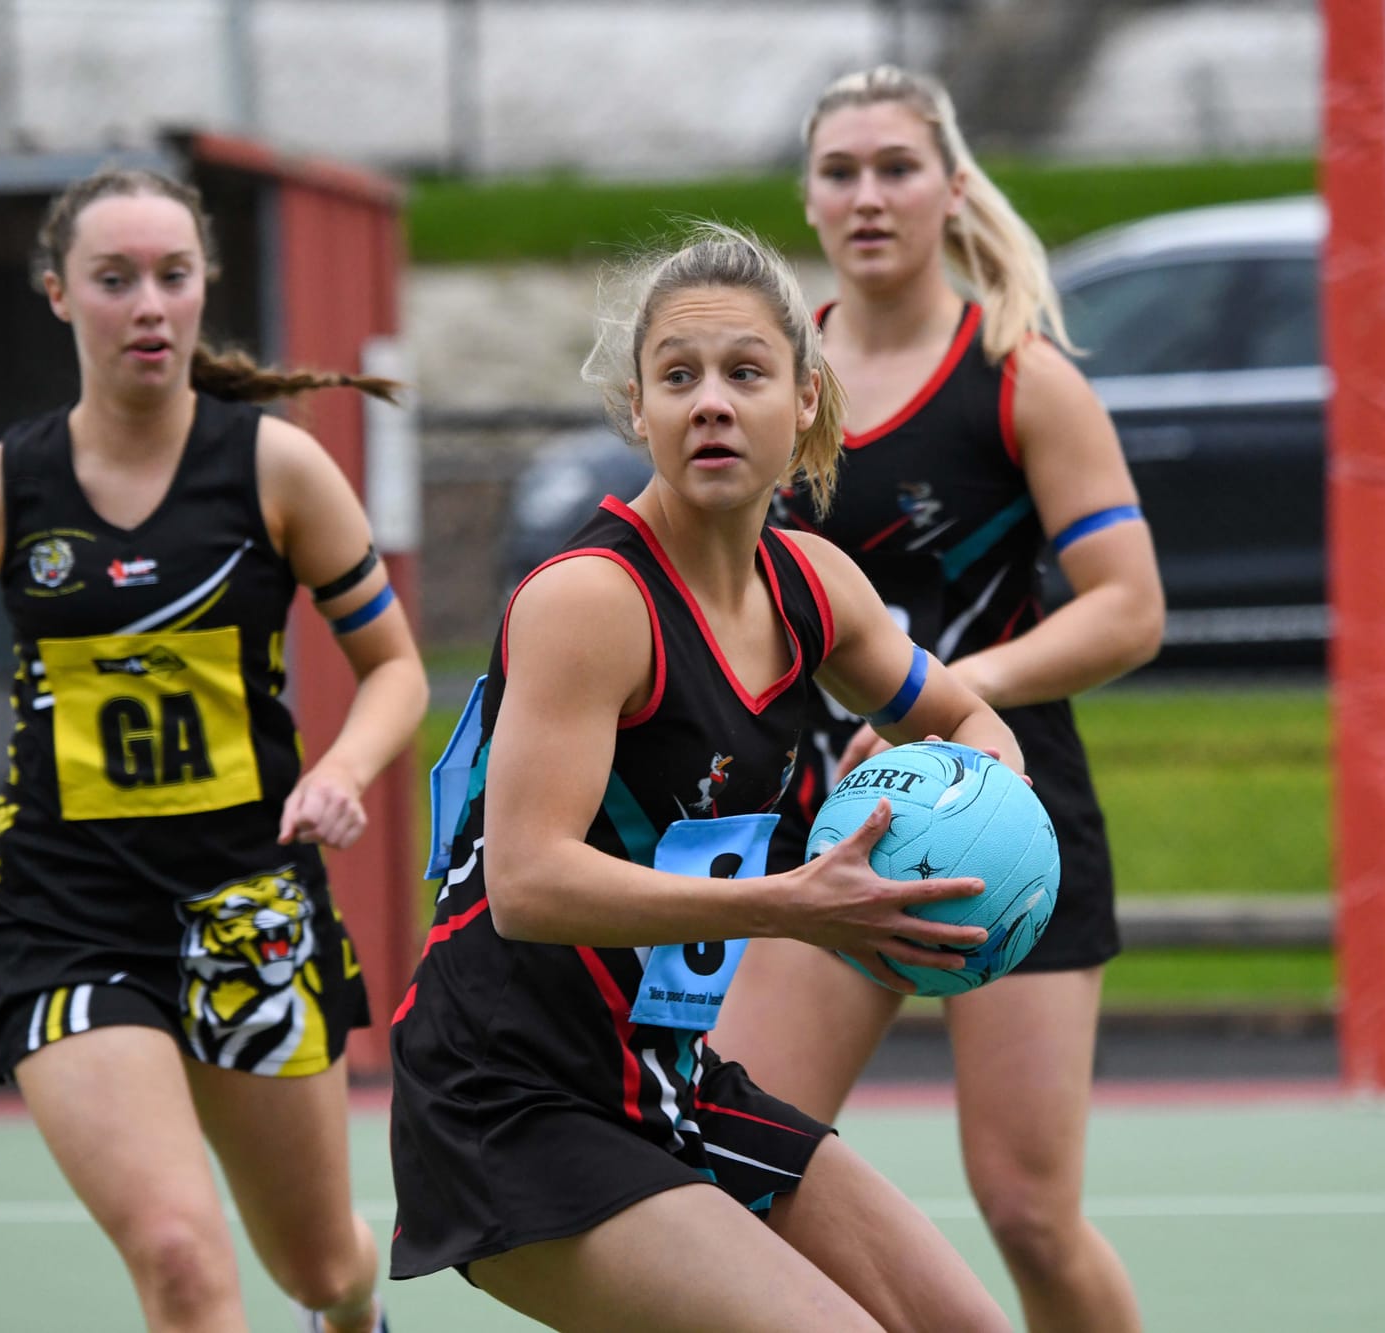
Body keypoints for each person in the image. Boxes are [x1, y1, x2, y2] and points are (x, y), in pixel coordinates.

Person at [388, 224, 1023, 1333]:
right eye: (677, 377)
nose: (711, 403)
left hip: (666, 1079)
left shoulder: (815, 587)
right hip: (507, 1096)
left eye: (745, 373)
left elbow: (972, 717)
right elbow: (529, 884)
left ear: (805, 399)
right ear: (637, 409)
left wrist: (962, 790)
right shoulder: (591, 601)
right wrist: (790, 904)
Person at [0, 167, 426, 1333]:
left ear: (205, 283)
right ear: (59, 293)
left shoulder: (275, 469)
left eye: (172, 276)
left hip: (248, 908)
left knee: (318, 1262)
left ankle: (351, 1312)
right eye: (114, 280)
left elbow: (395, 669)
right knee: (177, 1255)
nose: (149, 305)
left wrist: (339, 771)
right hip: (66, 914)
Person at [713, 67, 1166, 1333]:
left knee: (1027, 1211)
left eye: (895, 168)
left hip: (1002, 806)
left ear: (950, 190)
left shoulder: (1018, 377)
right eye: (840, 171)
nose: (867, 195)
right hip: (827, 818)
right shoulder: (771, 378)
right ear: (808, 198)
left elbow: (1127, 607)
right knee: (739, 1157)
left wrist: (954, 695)